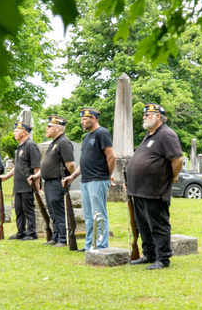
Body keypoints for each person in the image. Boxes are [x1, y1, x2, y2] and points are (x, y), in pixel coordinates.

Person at [126, 103, 184, 270]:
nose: (144, 117)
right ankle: (150, 254)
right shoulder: (149, 135)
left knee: (157, 224)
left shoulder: (166, 134)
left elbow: (177, 159)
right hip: (139, 189)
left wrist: (172, 176)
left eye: (148, 114)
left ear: (158, 116)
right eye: (144, 115)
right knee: (142, 224)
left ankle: (163, 258)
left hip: (155, 189)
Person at [63, 108, 115, 252]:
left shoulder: (102, 133)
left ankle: (102, 245)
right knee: (88, 217)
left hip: (98, 179)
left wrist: (108, 175)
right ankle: (89, 245)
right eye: (81, 119)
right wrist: (72, 176)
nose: (81, 122)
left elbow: (111, 156)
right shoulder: (87, 137)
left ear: (93, 118)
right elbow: (83, 162)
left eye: (84, 119)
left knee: (99, 214)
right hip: (85, 180)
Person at [28, 115, 75, 248]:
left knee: (59, 210)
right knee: (53, 211)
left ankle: (64, 238)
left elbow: (70, 164)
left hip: (58, 182)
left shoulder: (64, 142)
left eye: (49, 126)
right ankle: (56, 236)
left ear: (58, 128)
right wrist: (36, 176)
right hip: (49, 183)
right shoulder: (54, 142)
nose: (46, 128)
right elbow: (47, 165)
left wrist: (69, 178)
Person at [0, 122, 41, 241]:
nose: (14, 133)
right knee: (19, 210)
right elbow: (17, 166)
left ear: (24, 132)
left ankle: (31, 233)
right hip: (18, 184)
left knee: (28, 209)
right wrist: (6, 177)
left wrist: (36, 183)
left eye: (16, 131)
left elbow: (37, 167)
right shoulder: (20, 146)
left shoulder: (31, 145)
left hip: (28, 184)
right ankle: (21, 232)